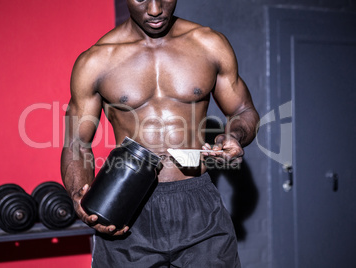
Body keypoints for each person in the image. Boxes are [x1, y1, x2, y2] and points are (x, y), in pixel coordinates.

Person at [61, 0, 259, 267]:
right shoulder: (96, 61)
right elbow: (77, 142)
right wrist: (79, 197)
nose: (155, 9)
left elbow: (243, 110)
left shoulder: (208, 44)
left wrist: (234, 134)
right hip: (126, 203)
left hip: (197, 200)